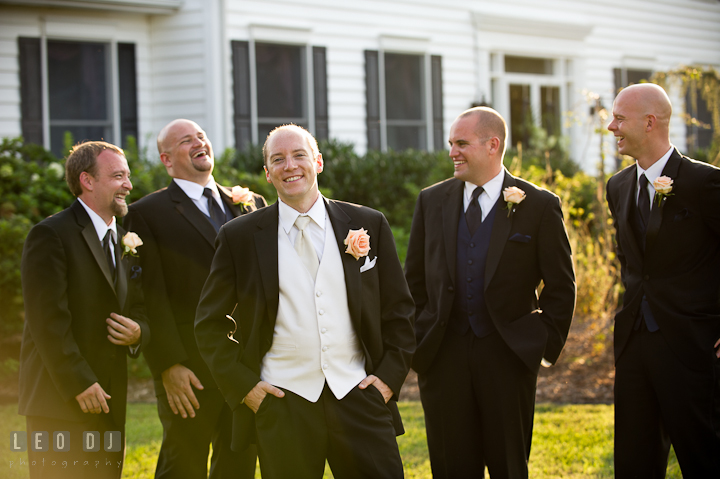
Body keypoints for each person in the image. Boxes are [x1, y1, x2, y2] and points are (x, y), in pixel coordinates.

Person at [194, 124, 416, 479]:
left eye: (299, 155)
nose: (290, 165)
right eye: (277, 159)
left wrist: (388, 379)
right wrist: (246, 389)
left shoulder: (367, 223)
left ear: (318, 162)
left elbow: (399, 310)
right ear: (267, 173)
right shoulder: (239, 237)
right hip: (282, 404)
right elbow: (209, 324)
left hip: (358, 395)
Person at [404, 107, 576, 478]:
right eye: (451, 143)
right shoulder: (431, 201)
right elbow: (413, 281)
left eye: (461, 143)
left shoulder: (539, 205)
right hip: (443, 360)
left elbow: (561, 286)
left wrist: (539, 342)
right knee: (451, 468)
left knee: (509, 467)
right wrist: (421, 340)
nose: (452, 152)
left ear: (492, 145)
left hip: (508, 359)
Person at [123, 119, 266, 479]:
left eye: (201, 136)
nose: (199, 142)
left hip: (245, 365)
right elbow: (148, 295)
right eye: (186, 140)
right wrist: (168, 365)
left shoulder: (251, 203)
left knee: (239, 465)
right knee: (182, 464)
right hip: (189, 368)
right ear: (167, 160)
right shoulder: (146, 213)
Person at [606, 83, 720, 477]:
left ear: (650, 122)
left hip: (692, 346)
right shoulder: (617, 187)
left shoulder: (705, 183)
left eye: (619, 118)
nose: (610, 126)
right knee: (634, 462)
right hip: (634, 343)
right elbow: (630, 262)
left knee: (703, 456)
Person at [18, 141, 149, 479]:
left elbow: (138, 306)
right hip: (60, 400)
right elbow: (47, 320)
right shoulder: (50, 234)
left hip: (109, 399)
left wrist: (138, 332)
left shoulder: (123, 239)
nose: (128, 186)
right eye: (118, 176)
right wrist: (79, 382)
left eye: (128, 176)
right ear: (87, 180)